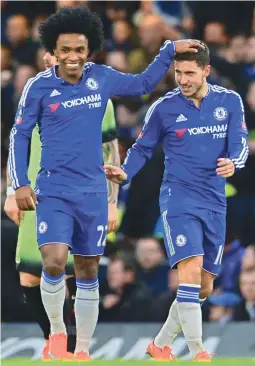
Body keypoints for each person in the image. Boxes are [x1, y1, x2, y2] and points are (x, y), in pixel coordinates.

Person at [8, 5, 203, 361]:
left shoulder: (102, 78)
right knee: (52, 263)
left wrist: (168, 51)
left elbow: (143, 84)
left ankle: (81, 349)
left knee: (86, 270)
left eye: (79, 50)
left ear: (89, 50)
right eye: (64, 49)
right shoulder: (38, 87)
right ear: (54, 49)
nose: (71, 57)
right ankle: (56, 332)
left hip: (93, 192)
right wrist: (19, 184)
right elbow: (19, 136)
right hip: (52, 189)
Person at [104, 42, 249, 361]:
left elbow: (240, 144)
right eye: (178, 72)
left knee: (204, 287)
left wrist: (234, 163)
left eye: (189, 73)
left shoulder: (229, 101)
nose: (182, 79)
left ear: (206, 71)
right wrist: (125, 173)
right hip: (178, 199)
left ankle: (160, 343)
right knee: (190, 269)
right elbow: (142, 148)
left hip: (214, 202)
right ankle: (198, 350)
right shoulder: (163, 108)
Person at [4, 51, 120, 360]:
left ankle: (70, 346)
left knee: (71, 271)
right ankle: (53, 337)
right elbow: (18, 143)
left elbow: (110, 152)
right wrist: (11, 190)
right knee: (30, 274)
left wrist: (112, 202)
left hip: (83, 194)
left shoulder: (99, 100)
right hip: (37, 194)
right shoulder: (34, 95)